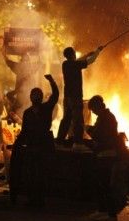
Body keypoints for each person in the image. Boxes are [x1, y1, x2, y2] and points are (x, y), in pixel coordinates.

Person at [19, 74, 58, 207]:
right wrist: (18, 143)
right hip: (31, 146)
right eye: (33, 94)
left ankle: (41, 199)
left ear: (41, 97)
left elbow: (56, 95)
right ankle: (31, 199)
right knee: (30, 174)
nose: (35, 96)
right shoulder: (27, 112)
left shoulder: (46, 108)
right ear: (30, 97)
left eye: (37, 94)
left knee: (41, 174)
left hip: (43, 146)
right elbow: (24, 130)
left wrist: (52, 81)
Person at [56, 46, 103, 149]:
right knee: (78, 120)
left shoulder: (66, 64)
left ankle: (59, 141)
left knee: (66, 119)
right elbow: (91, 61)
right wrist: (98, 51)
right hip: (76, 97)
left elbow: (79, 61)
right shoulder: (75, 64)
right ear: (73, 54)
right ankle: (78, 143)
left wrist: (88, 54)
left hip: (67, 97)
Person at [86, 95, 120, 221]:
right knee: (101, 184)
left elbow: (99, 135)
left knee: (105, 185)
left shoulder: (105, 118)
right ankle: (102, 210)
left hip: (106, 154)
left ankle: (110, 214)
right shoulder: (105, 117)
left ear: (97, 106)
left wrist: (89, 130)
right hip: (105, 153)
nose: (93, 113)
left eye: (93, 110)